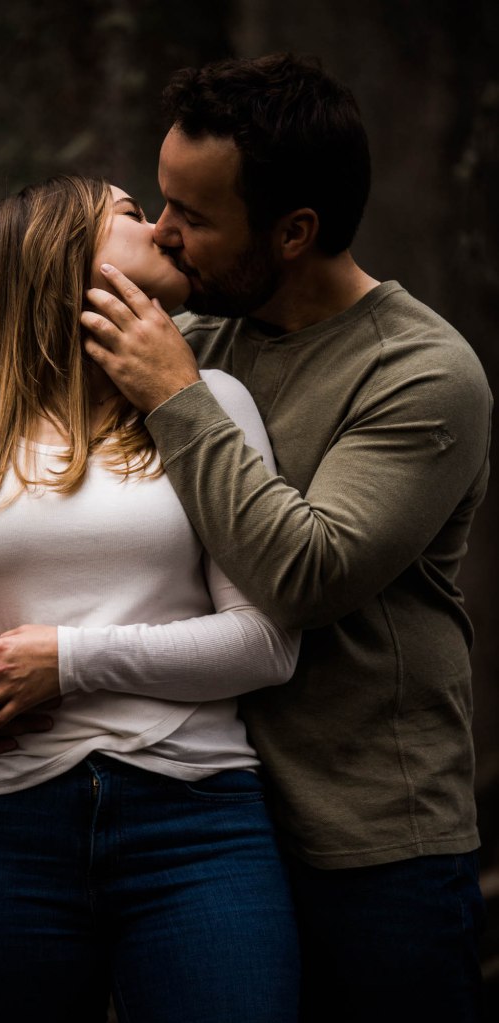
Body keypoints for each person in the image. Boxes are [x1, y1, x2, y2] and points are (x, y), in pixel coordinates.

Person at [70, 55, 491, 1022]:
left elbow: (306, 575)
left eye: (194, 216)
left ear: (294, 231)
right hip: (202, 828)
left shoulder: (423, 373)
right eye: (159, 200)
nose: (163, 235)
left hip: (372, 842)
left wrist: (175, 395)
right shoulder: (195, 337)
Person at [0, 174, 301, 1023]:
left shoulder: (214, 403)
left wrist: (64, 661)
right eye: (134, 214)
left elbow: (266, 644)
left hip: (198, 823)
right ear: (62, 257)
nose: (166, 230)